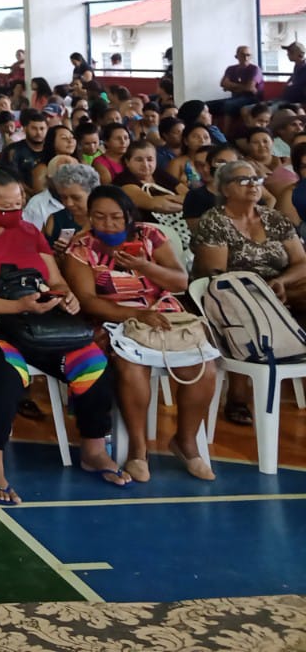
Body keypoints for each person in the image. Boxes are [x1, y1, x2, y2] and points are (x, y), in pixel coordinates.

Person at [0, 169, 128, 506]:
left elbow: (55, 279)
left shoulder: (29, 232)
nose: (14, 213)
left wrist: (65, 295)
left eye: (19, 204)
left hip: (36, 324)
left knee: (94, 363)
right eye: (5, 207)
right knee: (9, 370)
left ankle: (93, 449)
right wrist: (14, 305)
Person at [62, 185, 216, 482]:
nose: (107, 224)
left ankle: (185, 442)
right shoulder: (81, 248)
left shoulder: (150, 235)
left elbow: (180, 282)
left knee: (205, 368)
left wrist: (145, 266)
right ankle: (137, 450)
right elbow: (88, 300)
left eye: (116, 217)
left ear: (129, 216)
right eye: (99, 217)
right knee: (132, 368)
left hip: (162, 315)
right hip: (114, 318)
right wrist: (135, 314)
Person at [191, 158, 306, 424]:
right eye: (243, 180)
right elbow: (216, 274)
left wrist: (282, 282)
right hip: (233, 292)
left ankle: (294, 351)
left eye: (256, 179)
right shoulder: (214, 221)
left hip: (279, 288)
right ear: (225, 189)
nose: (253, 185)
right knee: (245, 307)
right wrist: (261, 290)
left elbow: (301, 263)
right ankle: (238, 397)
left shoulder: (274, 218)